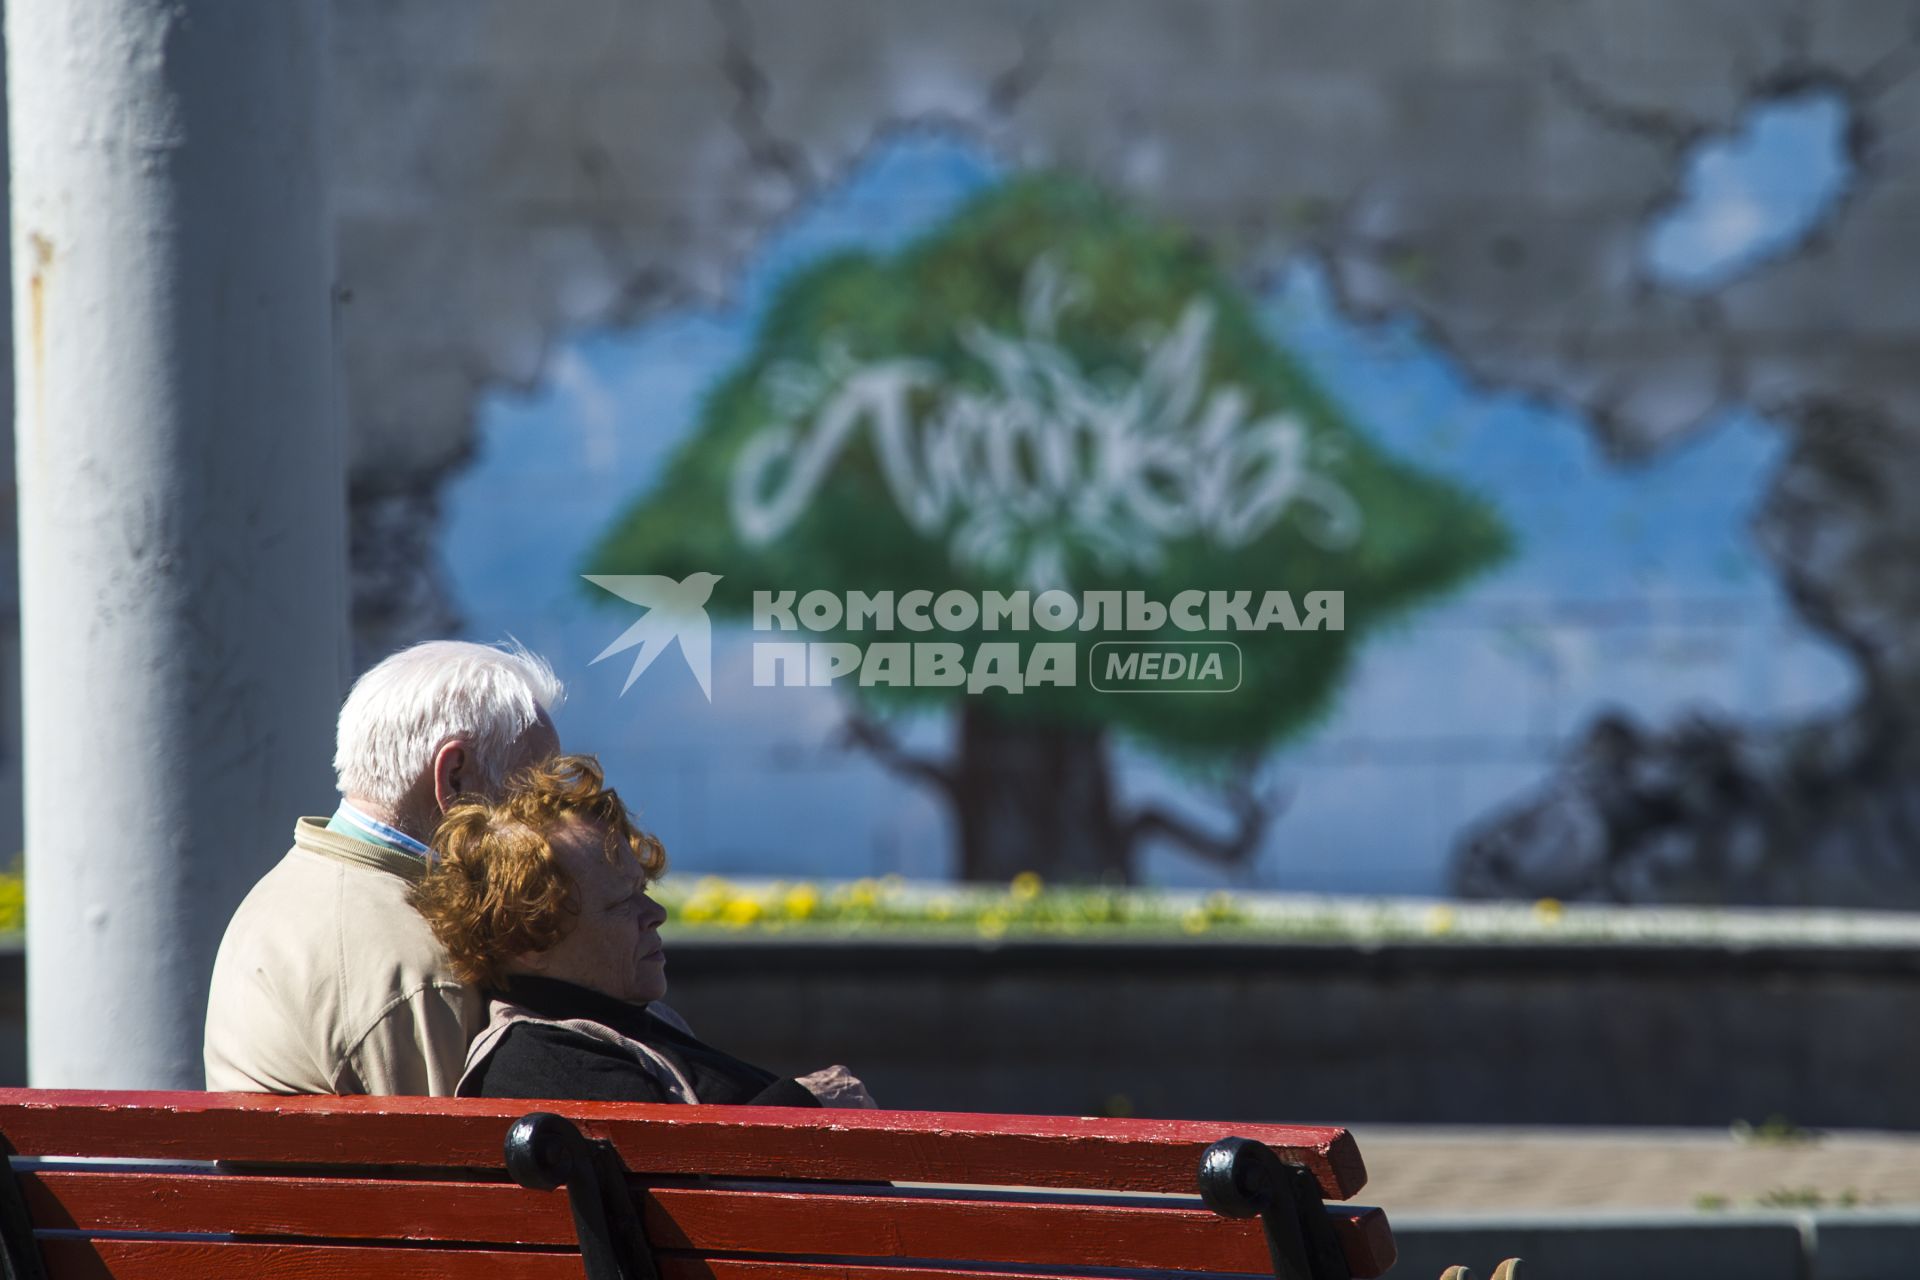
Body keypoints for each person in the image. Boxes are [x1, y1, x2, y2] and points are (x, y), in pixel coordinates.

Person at [204, 640, 564, 1095]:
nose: (548, 819)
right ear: (455, 776)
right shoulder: (417, 964)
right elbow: (452, 1162)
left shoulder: (300, 882)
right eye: (537, 788)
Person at [412, 753, 874, 1107]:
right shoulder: (549, 1065)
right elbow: (685, 1212)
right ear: (528, 938)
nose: (655, 913)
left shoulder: (612, 1025)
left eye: (643, 889)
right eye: (620, 903)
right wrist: (812, 1107)